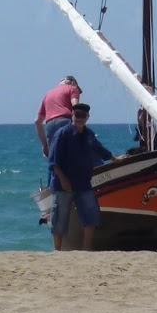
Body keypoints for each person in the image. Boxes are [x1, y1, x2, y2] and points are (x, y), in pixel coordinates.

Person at [48, 100, 113, 251]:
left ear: (87, 117)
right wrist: (63, 180)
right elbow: (53, 162)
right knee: (59, 219)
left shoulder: (89, 134)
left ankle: (87, 249)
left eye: (83, 115)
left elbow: (99, 149)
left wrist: (115, 158)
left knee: (91, 217)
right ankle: (57, 251)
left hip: (84, 184)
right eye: (77, 114)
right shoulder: (62, 134)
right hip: (63, 186)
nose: (79, 118)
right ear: (72, 115)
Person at [35, 76, 81, 158]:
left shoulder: (48, 94)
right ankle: (99, 167)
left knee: (57, 158)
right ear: (73, 83)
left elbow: (37, 121)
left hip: (49, 126)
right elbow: (76, 107)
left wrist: (45, 145)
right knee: (85, 143)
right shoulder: (73, 88)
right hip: (65, 122)